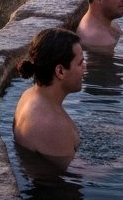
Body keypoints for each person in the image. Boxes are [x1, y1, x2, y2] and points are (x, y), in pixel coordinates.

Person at [12, 28, 85, 172]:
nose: (85, 67)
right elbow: (82, 173)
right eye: (80, 63)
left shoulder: (29, 95)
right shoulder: (51, 124)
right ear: (60, 71)